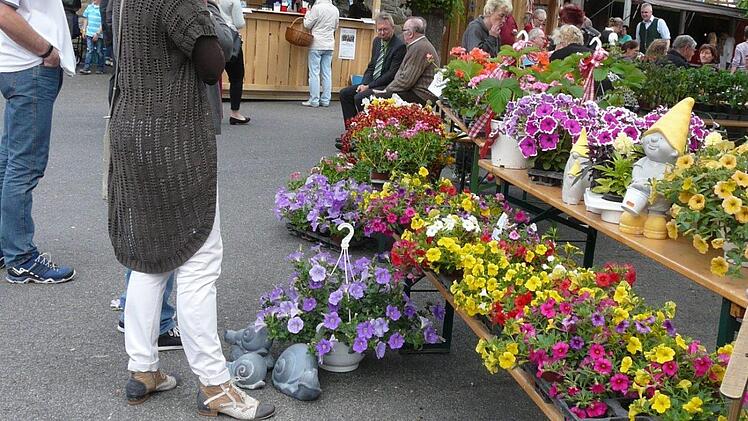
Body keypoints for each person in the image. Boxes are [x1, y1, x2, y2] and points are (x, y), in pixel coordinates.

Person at [108, 0, 274, 417]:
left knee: (149, 260)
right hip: (173, 139)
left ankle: (142, 370)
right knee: (199, 261)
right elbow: (211, 63)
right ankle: (214, 384)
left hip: (131, 129)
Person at [0, 0, 77, 284]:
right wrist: (46, 50)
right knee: (24, 165)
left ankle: (7, 245)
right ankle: (21, 259)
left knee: (10, 162)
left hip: (23, 68)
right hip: (29, 67)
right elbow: (3, 13)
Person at [339, 12, 405, 127]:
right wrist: (364, 83)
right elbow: (372, 66)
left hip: (386, 85)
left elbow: (391, 74)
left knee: (359, 97)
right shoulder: (377, 41)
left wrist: (368, 87)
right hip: (372, 82)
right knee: (345, 93)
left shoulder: (399, 46)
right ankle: (351, 130)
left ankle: (363, 130)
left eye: (385, 29)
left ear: (393, 28)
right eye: (379, 30)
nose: (382, 33)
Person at [377, 16, 438, 105]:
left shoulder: (419, 47)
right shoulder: (418, 45)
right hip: (416, 92)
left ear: (410, 33)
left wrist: (386, 90)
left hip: (421, 96)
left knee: (374, 98)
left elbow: (406, 81)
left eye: (404, 30)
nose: (402, 34)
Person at [218, 0, 251, 124]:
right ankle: (235, 113)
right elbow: (239, 23)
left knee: (211, 78)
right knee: (236, 77)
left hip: (212, 36)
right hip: (229, 38)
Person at [302, 0, 339, 107]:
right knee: (327, 73)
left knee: (314, 73)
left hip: (317, 44)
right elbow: (336, 27)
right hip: (329, 44)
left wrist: (308, 12)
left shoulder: (316, 8)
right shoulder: (335, 10)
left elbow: (307, 24)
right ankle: (326, 100)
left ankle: (314, 100)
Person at [79, 0, 105, 74]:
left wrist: (98, 33)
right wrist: (84, 30)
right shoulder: (89, 7)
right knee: (89, 50)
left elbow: (103, 23)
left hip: (99, 34)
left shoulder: (102, 9)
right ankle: (86, 68)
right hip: (89, 33)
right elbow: (86, 19)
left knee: (99, 51)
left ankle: (100, 68)